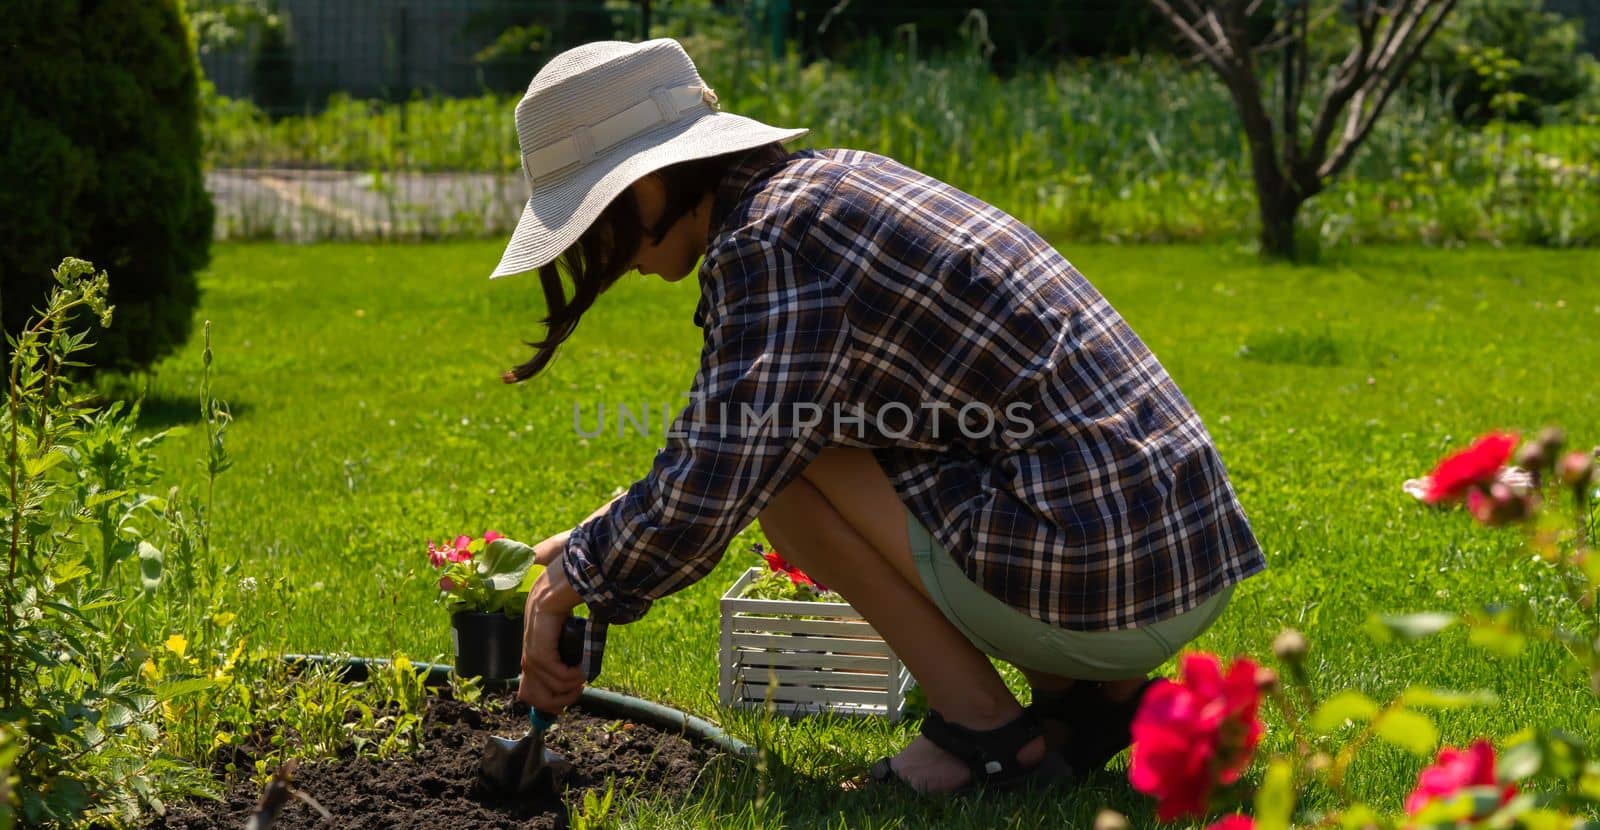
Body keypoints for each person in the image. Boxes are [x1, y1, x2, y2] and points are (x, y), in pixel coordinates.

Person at [494, 38, 1267, 796]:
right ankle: (1090, 705)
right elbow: (735, 443)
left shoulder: (770, 242)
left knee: (784, 479)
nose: (604, 253)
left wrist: (574, 577)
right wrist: (612, 529)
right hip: (1172, 550)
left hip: (1103, 573)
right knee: (785, 445)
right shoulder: (833, 185)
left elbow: (726, 468)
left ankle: (981, 733)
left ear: (648, 185)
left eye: (595, 217)